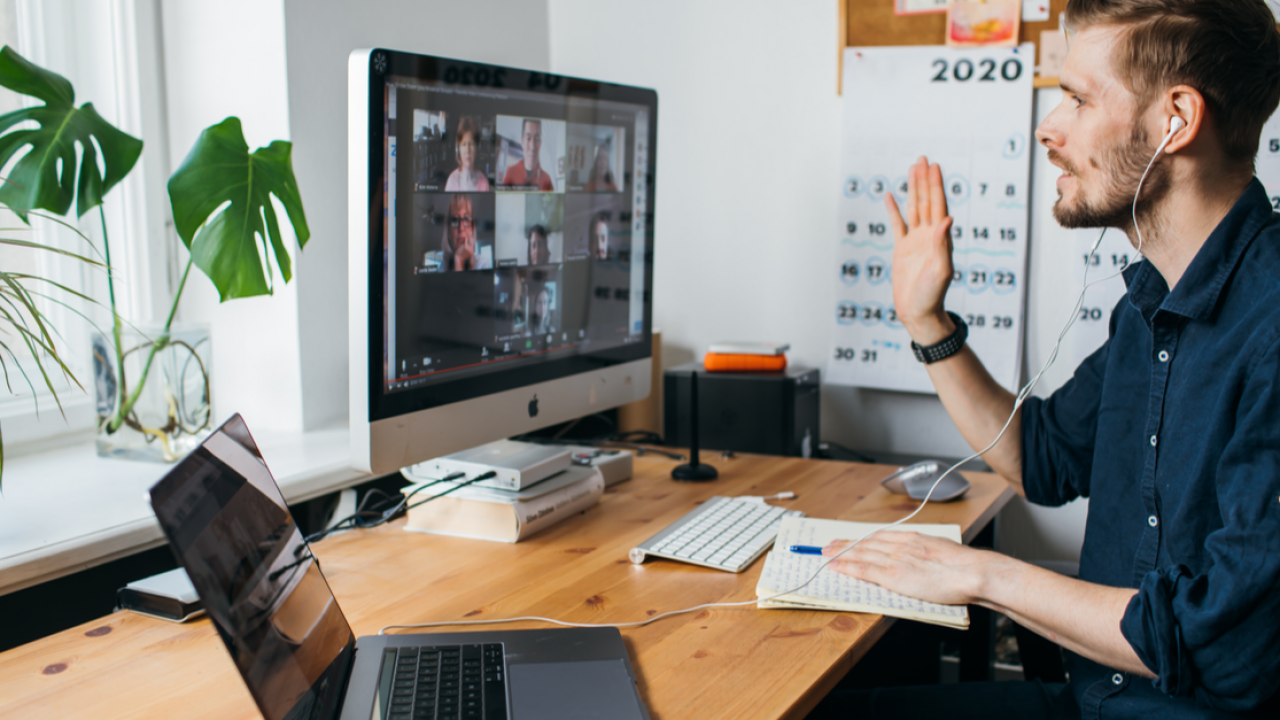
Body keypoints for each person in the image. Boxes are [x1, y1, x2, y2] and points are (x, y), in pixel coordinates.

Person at [810, 1, 1280, 718]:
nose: (1048, 128)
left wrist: (982, 576)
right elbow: (1043, 456)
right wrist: (926, 321)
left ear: (1176, 120)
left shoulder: (1271, 321)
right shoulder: (1150, 303)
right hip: (1102, 702)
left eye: (1078, 99)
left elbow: (1224, 646)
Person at [502, 119, 555, 191]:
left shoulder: (547, 179)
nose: (532, 146)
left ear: (540, 143)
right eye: (528, 138)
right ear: (522, 141)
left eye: (536, 138)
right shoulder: (511, 173)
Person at [441, 194, 490, 271]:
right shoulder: (442, 267)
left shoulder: (483, 264)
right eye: (455, 220)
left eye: (466, 219)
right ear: (449, 231)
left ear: (472, 228)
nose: (461, 228)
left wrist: (460, 261)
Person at [444, 116, 490, 192]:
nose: (467, 150)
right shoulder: (452, 180)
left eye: (471, 144)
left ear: (477, 148)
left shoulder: (484, 182)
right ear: (458, 148)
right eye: (463, 144)